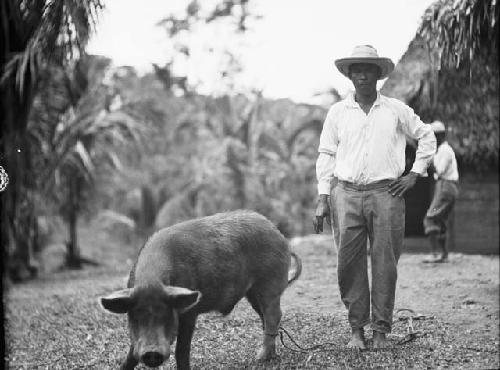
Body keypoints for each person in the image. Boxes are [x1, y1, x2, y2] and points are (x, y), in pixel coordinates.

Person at [312, 45, 436, 350]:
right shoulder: (338, 112)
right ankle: (357, 330)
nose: (363, 75)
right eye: (357, 69)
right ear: (350, 75)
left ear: (379, 75)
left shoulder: (395, 109)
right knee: (348, 264)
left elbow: (426, 136)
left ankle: (381, 331)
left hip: (387, 194)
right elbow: (326, 154)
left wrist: (414, 174)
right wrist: (323, 197)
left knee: (385, 263)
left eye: (369, 69)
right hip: (347, 194)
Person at [423, 120, 459, 263]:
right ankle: (443, 254)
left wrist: (429, 161)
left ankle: (434, 254)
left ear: (439, 136)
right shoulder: (443, 150)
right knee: (440, 220)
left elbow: (439, 170)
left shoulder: (444, 151)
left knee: (430, 218)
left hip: (446, 186)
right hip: (446, 186)